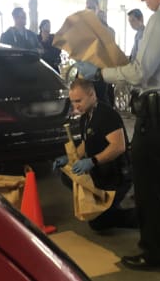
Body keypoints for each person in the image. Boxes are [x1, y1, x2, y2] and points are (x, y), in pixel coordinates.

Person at [74, 0, 160, 271]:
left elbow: (141, 72)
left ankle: (154, 254)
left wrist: (101, 73)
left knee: (147, 186)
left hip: (158, 115)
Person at [53, 78, 137, 231]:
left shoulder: (106, 115)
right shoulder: (86, 116)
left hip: (117, 175)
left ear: (92, 94)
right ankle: (109, 207)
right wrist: (69, 158)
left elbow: (118, 147)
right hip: (101, 170)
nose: (75, 106)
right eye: (73, 102)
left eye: (78, 100)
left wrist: (92, 161)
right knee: (67, 175)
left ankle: (143, 217)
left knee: (99, 223)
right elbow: (87, 142)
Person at [84, 0, 115, 107]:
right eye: (88, 7)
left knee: (101, 99)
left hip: (101, 70)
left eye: (92, 7)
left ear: (98, 10)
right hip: (87, 70)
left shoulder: (106, 29)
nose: (90, 10)